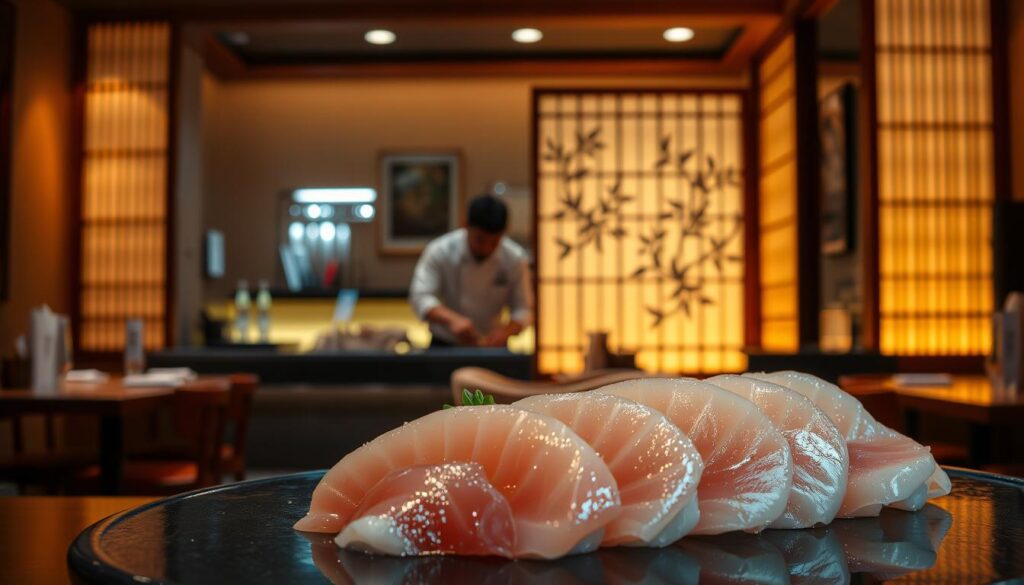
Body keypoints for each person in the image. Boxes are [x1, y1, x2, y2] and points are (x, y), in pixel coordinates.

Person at [409, 194, 533, 348]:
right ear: (465, 225)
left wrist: (506, 332)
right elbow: (421, 297)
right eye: (480, 240)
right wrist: (452, 320)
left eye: (494, 242)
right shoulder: (440, 250)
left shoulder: (514, 258)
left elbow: (523, 309)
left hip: (493, 345)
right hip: (445, 343)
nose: (486, 248)